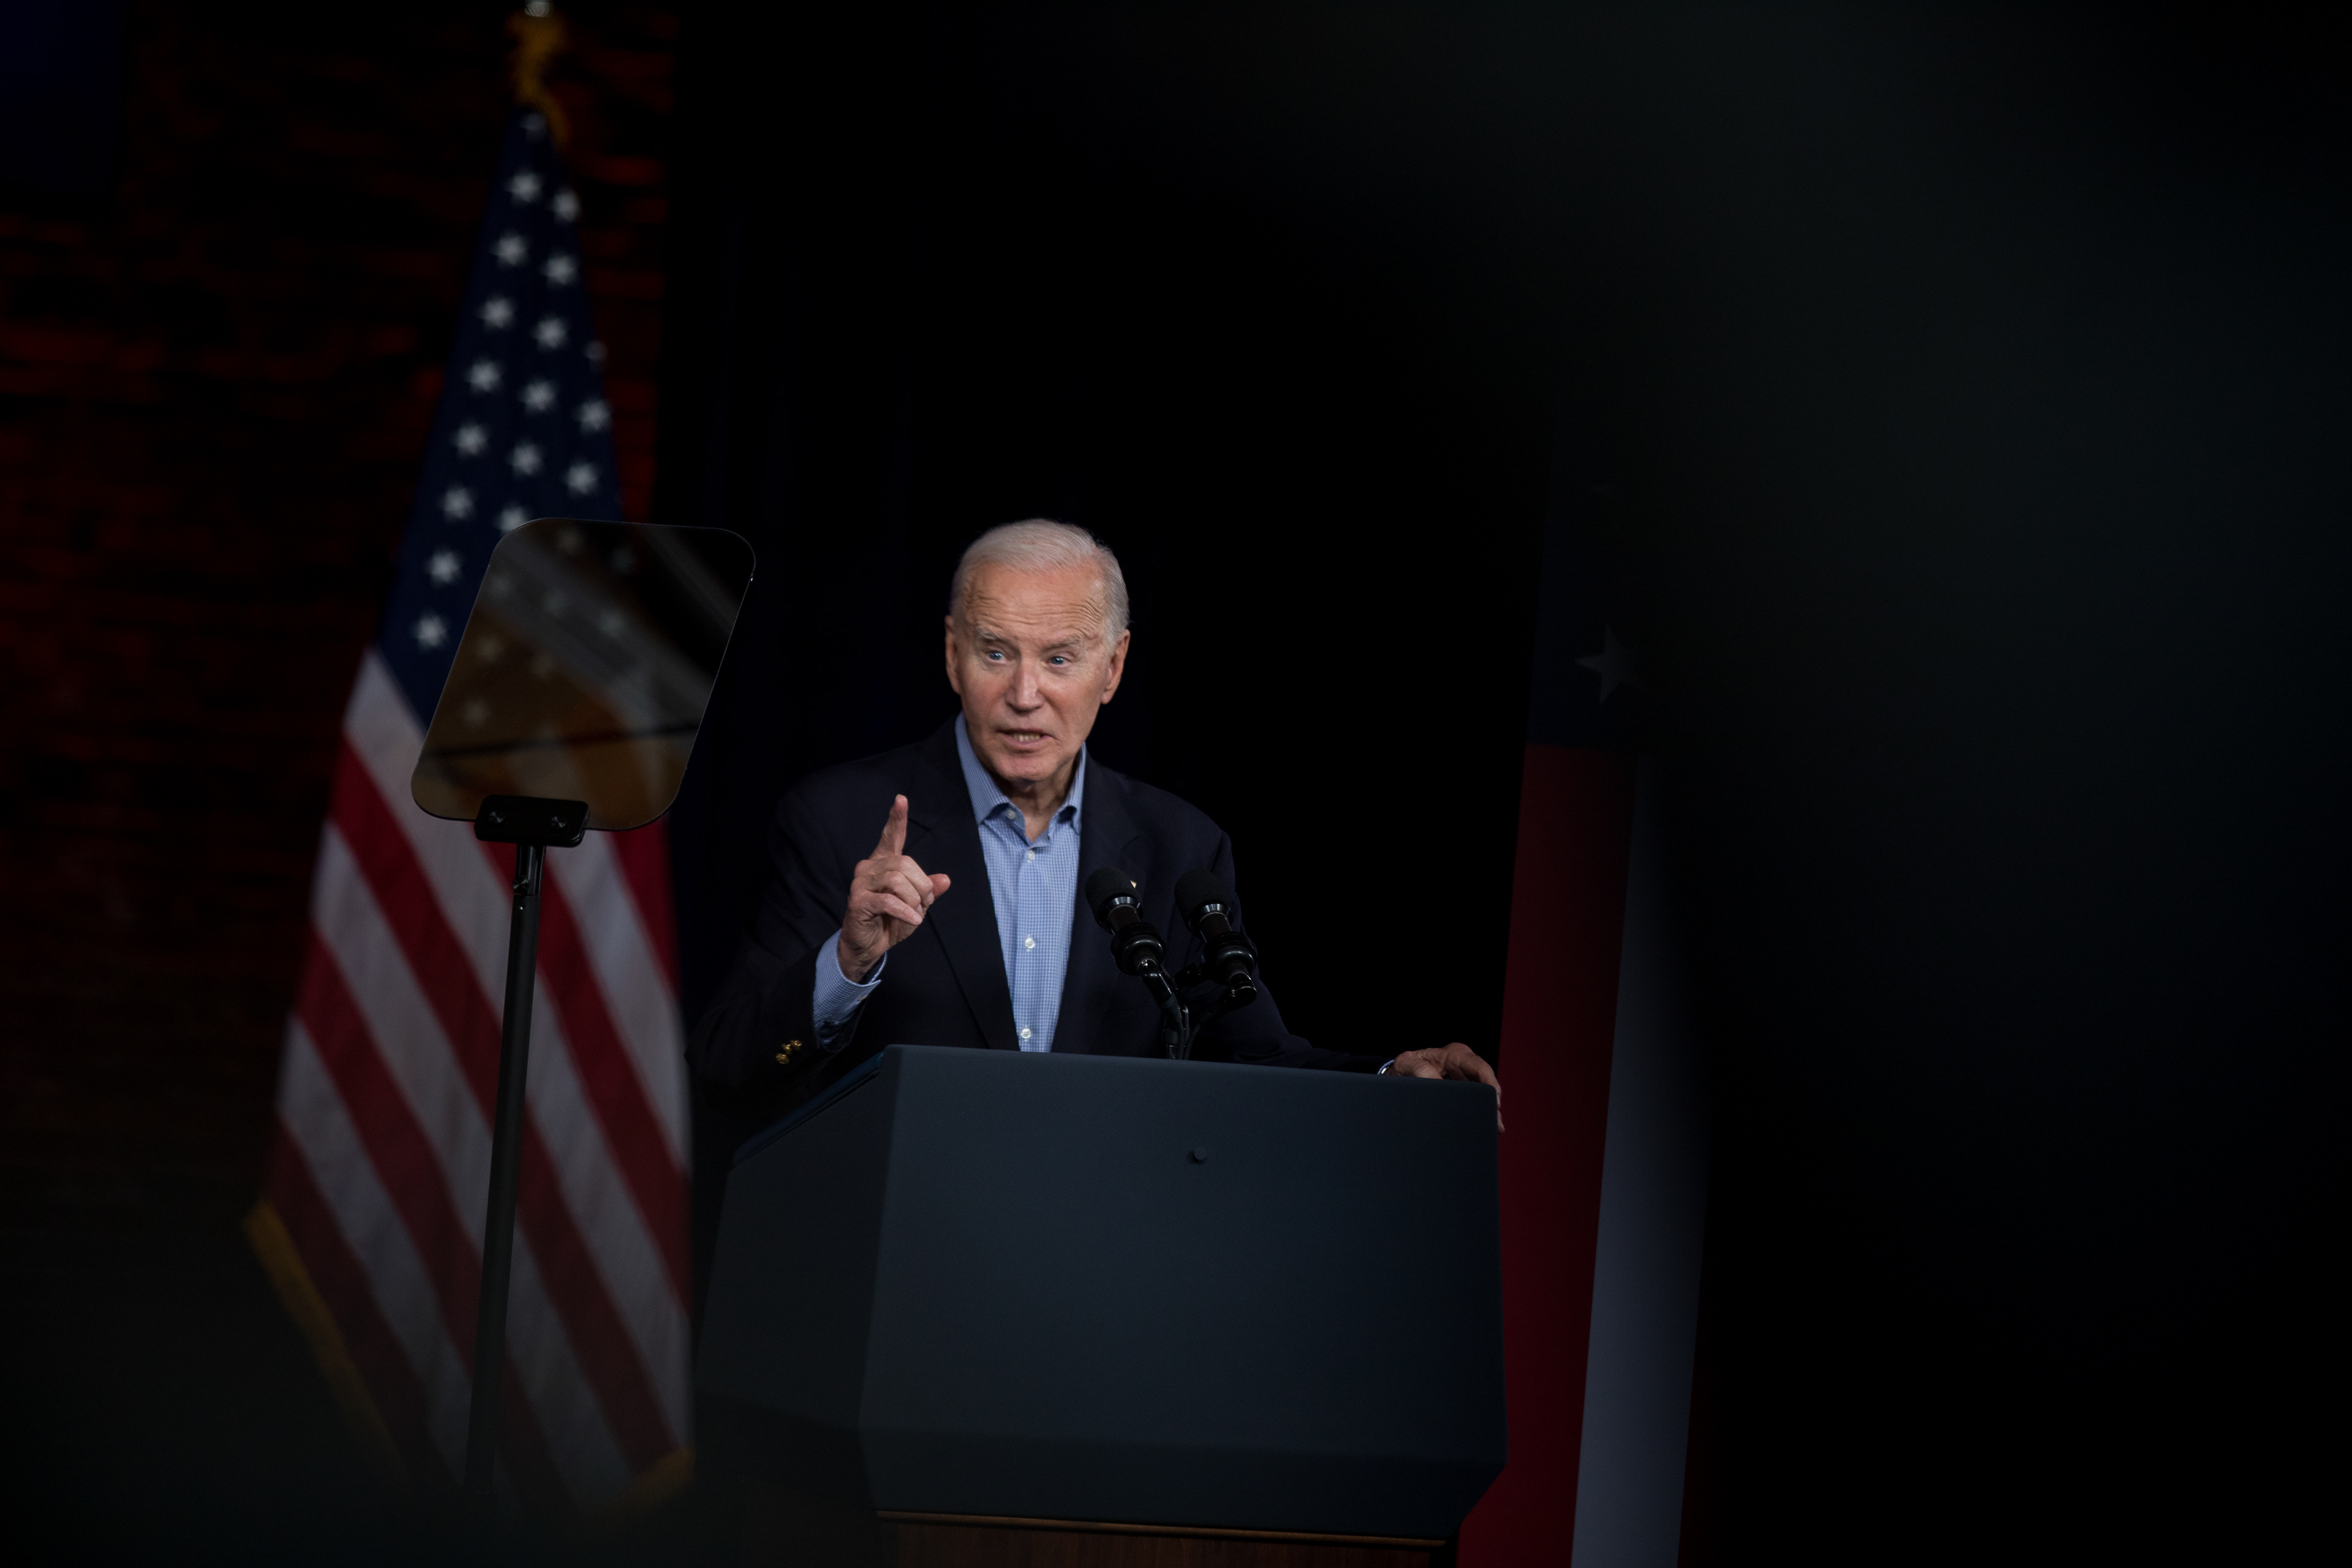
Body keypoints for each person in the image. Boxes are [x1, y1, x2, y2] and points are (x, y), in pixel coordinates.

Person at [687, 519, 1501, 1121]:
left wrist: (1394, 1077)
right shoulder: (838, 822)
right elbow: (726, 1067)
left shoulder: (1184, 845)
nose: (1026, 694)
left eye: (1060, 659)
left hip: (1093, 1276)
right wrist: (848, 961)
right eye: (996, 652)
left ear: (1112, 668)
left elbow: (1254, 1060)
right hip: (890, 1260)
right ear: (950, 655)